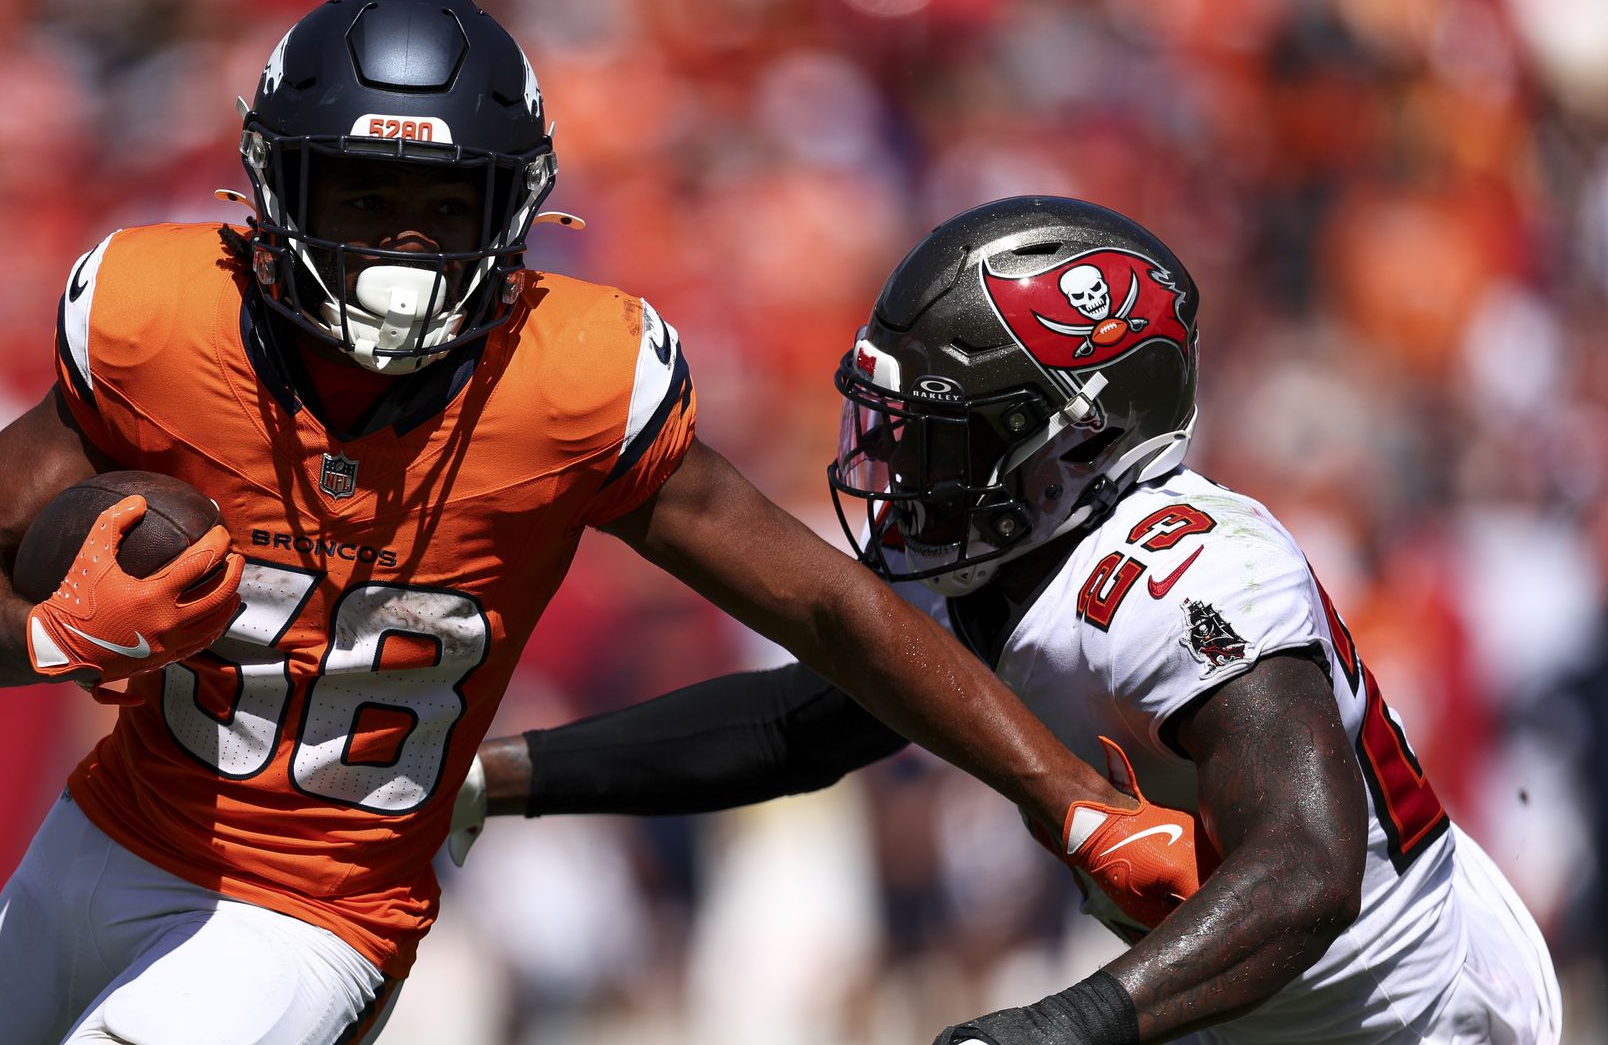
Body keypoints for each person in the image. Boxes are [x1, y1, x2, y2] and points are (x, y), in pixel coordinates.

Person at [0, 0, 1209, 1045]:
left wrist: (1070, 796)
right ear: (277, 194)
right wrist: (52, 638)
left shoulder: (572, 378)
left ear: (508, 210)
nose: (400, 244)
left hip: (316, 906)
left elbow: (825, 603)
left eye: (435, 204)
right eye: (363, 196)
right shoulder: (156, 317)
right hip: (97, 843)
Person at [455, 197, 1563, 1044]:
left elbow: (1310, 870)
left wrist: (1067, 1024)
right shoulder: (992, 553)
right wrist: (485, 776)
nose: (893, 466)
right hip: (1229, 1006)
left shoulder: (1187, 573)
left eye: (939, 435)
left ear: (1073, 439)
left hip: (1409, 1017)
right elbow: (793, 729)